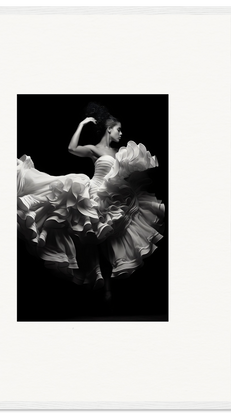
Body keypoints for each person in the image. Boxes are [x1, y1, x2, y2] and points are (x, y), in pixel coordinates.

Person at [17, 102, 165, 301]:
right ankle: (94, 290)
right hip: (92, 194)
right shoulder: (94, 149)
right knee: (89, 239)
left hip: (112, 198)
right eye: (118, 130)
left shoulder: (117, 152)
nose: (121, 134)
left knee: (107, 243)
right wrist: (83, 124)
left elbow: (122, 174)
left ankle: (107, 289)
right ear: (108, 129)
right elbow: (71, 148)